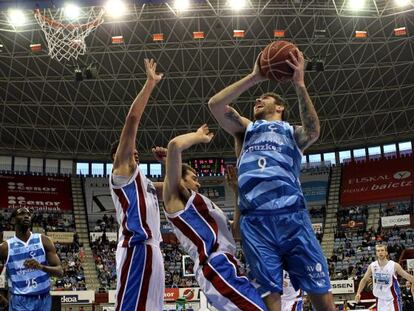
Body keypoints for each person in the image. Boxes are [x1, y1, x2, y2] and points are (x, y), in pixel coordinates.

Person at [208, 48, 334, 311]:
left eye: (264, 97)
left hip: (292, 218)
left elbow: (313, 130)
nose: (257, 98)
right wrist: (255, 77)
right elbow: (215, 105)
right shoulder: (245, 130)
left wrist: (299, 83)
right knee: (270, 302)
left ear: (279, 107)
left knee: (322, 297)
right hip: (257, 224)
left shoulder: (291, 132)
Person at [162, 124, 268, 311]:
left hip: (229, 262)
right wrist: (198, 136)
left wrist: (236, 191)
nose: (199, 183)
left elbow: (235, 232)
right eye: (194, 178)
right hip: (215, 264)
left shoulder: (208, 207)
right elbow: (174, 146)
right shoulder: (178, 201)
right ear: (180, 179)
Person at [109, 59, 164, 311]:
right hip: (136, 247)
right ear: (119, 157)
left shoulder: (145, 181)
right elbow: (132, 119)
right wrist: (150, 84)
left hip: (154, 249)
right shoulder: (122, 173)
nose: (135, 154)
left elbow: (173, 188)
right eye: (131, 152)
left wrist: (168, 162)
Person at [0, 207, 63, 311]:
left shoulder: (44, 240)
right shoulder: (5, 248)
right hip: (20, 301)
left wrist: (41, 267)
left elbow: (60, 272)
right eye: (22, 213)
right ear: (12, 220)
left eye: (29, 214)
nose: (26, 216)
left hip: (44, 299)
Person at [355, 244, 414, 311]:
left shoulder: (394, 265)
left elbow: (408, 276)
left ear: (386, 252)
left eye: (382, 250)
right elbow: (364, 279)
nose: (380, 252)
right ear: (376, 253)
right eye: (378, 251)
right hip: (380, 300)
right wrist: (358, 293)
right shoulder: (372, 266)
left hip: (393, 299)